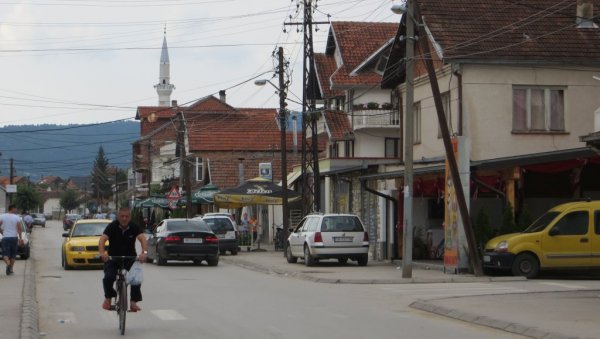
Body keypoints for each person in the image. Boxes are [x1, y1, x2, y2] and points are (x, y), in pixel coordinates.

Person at [98, 207, 148, 312]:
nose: (124, 219)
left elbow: (143, 239)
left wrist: (144, 253)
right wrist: (102, 253)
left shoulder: (134, 227)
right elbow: (102, 239)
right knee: (108, 277)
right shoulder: (112, 226)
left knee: (136, 279)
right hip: (113, 258)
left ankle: (133, 302)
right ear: (118, 217)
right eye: (122, 216)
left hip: (130, 258)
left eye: (127, 216)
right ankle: (108, 297)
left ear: (130, 217)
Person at [0, 205, 24, 275]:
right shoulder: (16, 217)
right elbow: (19, 229)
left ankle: (8, 264)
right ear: (12, 209)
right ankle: (11, 269)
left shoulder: (2, 216)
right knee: (13, 255)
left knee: (5, 254)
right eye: (16, 208)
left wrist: (2, 232)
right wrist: (20, 238)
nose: (16, 210)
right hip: (14, 238)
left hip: (5, 238)